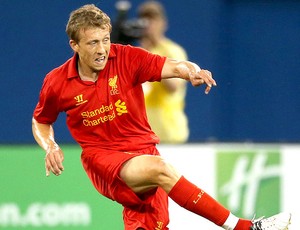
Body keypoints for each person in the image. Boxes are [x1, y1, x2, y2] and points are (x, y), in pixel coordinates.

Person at [32, 4, 291, 230]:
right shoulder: (57, 82)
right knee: (161, 169)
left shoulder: (127, 57)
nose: (102, 49)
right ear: (74, 45)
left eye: (106, 39)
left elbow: (175, 65)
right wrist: (51, 145)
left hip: (144, 151)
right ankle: (245, 227)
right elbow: (41, 120)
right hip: (104, 159)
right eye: (92, 43)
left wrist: (192, 71)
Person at [138, 1, 189, 143]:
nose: (149, 24)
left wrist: (152, 57)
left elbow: (174, 86)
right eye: (145, 20)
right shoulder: (137, 54)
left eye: (153, 20)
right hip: (144, 133)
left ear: (163, 23)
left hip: (169, 133)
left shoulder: (172, 50)